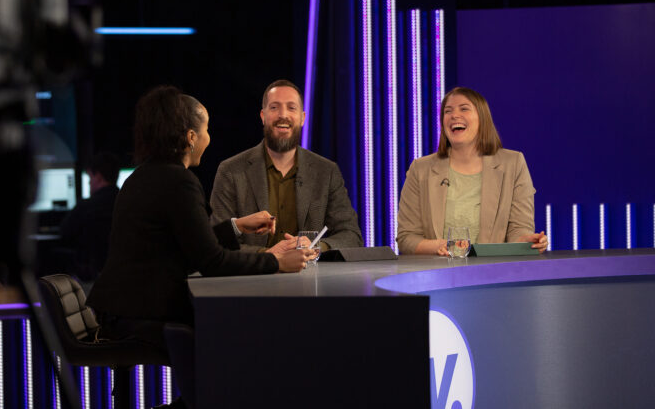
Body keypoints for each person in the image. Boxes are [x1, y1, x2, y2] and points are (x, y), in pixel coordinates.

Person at [87, 85, 306, 408]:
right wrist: (277, 263)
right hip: (139, 315)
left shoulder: (148, 174)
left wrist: (236, 226)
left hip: (121, 309)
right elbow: (212, 261)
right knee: (242, 338)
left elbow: (188, 240)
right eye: (206, 130)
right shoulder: (178, 181)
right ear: (190, 137)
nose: (209, 138)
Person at [210, 79, 363, 254]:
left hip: (312, 278)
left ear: (303, 118)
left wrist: (316, 247)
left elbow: (351, 236)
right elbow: (216, 242)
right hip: (253, 277)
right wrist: (267, 256)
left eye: (291, 108)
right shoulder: (231, 171)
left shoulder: (326, 172)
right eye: (274, 107)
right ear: (263, 116)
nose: (283, 115)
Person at [395, 87, 548, 255]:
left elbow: (519, 229)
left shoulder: (513, 164)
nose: (454, 115)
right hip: (436, 275)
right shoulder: (420, 169)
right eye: (448, 111)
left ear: (482, 118)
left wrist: (525, 241)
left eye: (464, 108)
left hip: (494, 274)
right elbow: (406, 238)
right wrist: (443, 246)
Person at [59, 151, 120, 283]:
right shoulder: (126, 203)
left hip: (90, 279)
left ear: (98, 177)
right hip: (122, 275)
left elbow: (64, 233)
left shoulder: (85, 206)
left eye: (90, 178)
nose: (89, 183)